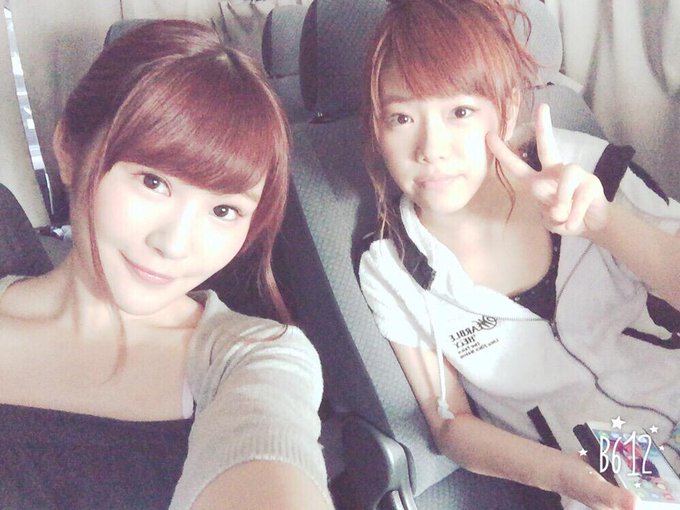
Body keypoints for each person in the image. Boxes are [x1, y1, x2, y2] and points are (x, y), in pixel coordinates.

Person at [358, 0, 680, 509]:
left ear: (506, 108)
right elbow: (450, 424)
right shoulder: (392, 265)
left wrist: (603, 224)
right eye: (401, 117)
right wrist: (563, 475)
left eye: (459, 112)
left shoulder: (586, 167)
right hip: (613, 455)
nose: (430, 148)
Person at [0, 20, 332, 510]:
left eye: (224, 210)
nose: (175, 245)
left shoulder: (252, 358)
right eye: (153, 182)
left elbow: (271, 445)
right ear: (70, 149)